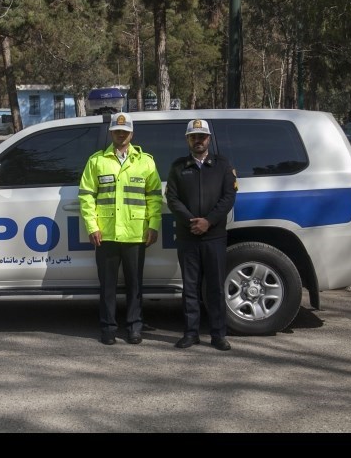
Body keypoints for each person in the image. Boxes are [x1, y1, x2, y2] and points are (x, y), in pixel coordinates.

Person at [78, 112, 162, 345]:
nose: (121, 134)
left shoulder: (145, 161)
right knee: (107, 286)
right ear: (111, 132)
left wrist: (153, 225)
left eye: (125, 131)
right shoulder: (97, 161)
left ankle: (134, 327)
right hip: (106, 234)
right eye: (117, 131)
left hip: (136, 234)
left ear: (131, 134)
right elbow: (86, 196)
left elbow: (154, 196)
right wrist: (92, 226)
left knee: (135, 284)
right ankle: (108, 327)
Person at [166, 119, 237, 351]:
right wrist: (192, 222)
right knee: (190, 287)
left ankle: (218, 334)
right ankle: (191, 332)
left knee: (215, 287)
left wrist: (208, 222)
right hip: (187, 236)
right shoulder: (178, 167)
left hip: (214, 236)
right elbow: (172, 199)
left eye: (202, 136)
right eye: (194, 136)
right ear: (188, 139)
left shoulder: (223, 166)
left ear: (209, 139)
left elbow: (228, 197)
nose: (198, 140)